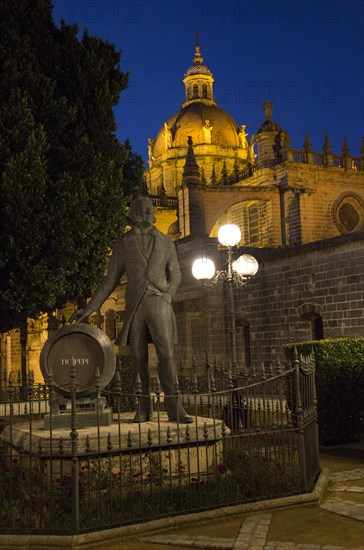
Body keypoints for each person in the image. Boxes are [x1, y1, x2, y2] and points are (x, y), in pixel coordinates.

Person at [70, 196, 192, 423]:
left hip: (159, 302)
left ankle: (175, 407)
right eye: (142, 210)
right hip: (135, 306)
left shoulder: (166, 241)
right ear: (133, 214)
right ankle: (143, 408)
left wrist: (167, 296)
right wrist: (89, 308)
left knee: (166, 355)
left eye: (149, 210)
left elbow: (175, 274)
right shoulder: (123, 243)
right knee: (138, 359)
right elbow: (109, 281)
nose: (146, 214)